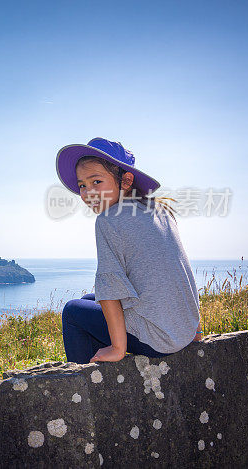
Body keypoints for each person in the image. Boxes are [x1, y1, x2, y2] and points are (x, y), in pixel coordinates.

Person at [55, 137, 201, 364]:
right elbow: (181, 270)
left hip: (158, 339)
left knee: (73, 311)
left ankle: (89, 386)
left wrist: (117, 348)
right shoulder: (159, 210)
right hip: (183, 330)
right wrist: (196, 329)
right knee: (88, 299)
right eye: (82, 185)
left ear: (125, 181)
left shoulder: (108, 220)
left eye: (96, 181)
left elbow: (110, 290)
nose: (87, 192)